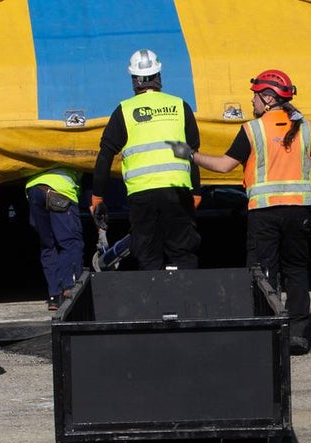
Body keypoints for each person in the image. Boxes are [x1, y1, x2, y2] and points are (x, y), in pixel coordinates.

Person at [169, 70, 311, 355]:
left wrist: (190, 154)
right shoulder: (307, 127)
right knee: (296, 271)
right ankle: (298, 333)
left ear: (269, 98)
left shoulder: (253, 130)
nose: (252, 100)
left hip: (265, 213)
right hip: (301, 211)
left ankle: (269, 329)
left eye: (256, 95)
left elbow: (224, 166)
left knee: (263, 272)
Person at [91, 49, 202, 271]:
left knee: (148, 254)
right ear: (159, 75)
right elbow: (193, 154)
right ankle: (189, 301)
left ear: (134, 80)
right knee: (182, 252)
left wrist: (97, 196)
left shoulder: (124, 110)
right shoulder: (181, 106)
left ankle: (154, 303)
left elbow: (105, 155)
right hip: (177, 191)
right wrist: (196, 191)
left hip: (142, 195)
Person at [25, 167, 85, 310]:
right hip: (60, 190)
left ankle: (54, 296)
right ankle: (70, 290)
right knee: (71, 243)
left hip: (34, 189)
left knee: (48, 245)